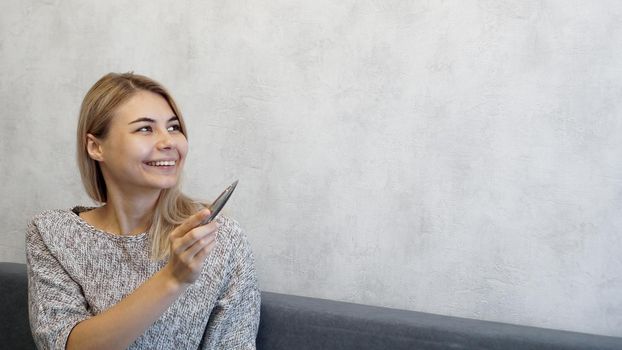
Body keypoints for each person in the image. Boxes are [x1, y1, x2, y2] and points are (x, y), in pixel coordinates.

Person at [25, 72, 261, 349]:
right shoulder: (51, 234)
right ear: (96, 146)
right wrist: (172, 278)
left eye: (173, 127)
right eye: (145, 129)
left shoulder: (221, 240)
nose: (169, 142)